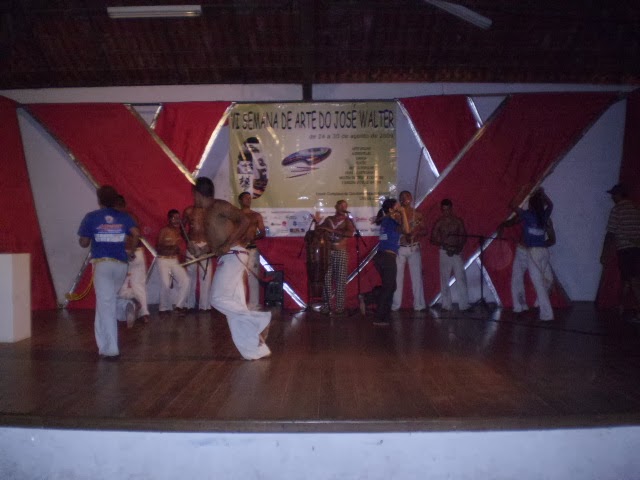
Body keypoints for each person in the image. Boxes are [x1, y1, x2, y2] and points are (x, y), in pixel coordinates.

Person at [200, 178, 271, 360]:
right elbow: (219, 239)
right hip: (229, 255)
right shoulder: (208, 212)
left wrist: (227, 244)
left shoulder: (218, 206)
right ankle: (254, 350)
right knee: (235, 309)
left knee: (217, 298)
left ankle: (259, 320)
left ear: (198, 193)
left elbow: (244, 221)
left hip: (233, 255)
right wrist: (209, 248)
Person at [77, 185, 139, 361]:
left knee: (106, 305)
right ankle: (103, 346)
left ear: (99, 200)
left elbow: (83, 242)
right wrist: (132, 251)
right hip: (121, 265)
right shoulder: (124, 217)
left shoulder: (91, 217)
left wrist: (88, 237)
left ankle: (111, 349)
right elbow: (136, 233)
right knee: (106, 302)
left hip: (102, 265)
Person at [499, 188, 555, 319]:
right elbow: (551, 205)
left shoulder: (529, 216)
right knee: (523, 278)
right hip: (537, 252)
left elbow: (512, 205)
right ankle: (521, 306)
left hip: (533, 252)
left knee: (541, 283)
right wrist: (543, 194)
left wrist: (523, 191)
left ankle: (546, 312)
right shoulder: (544, 216)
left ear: (531, 204)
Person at [359, 198, 410, 326]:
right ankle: (379, 317)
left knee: (391, 287)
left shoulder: (387, 221)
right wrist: (403, 213)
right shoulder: (390, 222)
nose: (400, 207)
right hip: (387, 258)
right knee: (389, 288)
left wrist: (400, 214)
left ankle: (368, 298)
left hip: (383, 257)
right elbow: (407, 230)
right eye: (397, 206)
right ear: (391, 209)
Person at [600, 183, 640, 321]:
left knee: (633, 280)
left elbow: (610, 234)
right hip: (637, 249)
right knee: (627, 279)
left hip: (625, 249)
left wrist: (604, 253)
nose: (612, 198)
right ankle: (621, 306)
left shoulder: (617, 210)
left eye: (613, 195)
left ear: (619, 195)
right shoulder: (636, 208)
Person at [114, 194, 150, 325]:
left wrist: (131, 251)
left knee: (120, 286)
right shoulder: (132, 217)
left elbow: (135, 235)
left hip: (126, 253)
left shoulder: (116, 219)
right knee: (139, 285)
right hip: (137, 253)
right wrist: (134, 251)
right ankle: (144, 313)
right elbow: (137, 234)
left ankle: (133, 303)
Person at [430, 198, 470, 312]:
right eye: (444, 210)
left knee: (460, 277)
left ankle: (464, 305)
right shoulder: (439, 222)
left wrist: (459, 248)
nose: (446, 212)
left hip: (457, 252)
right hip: (444, 251)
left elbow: (463, 236)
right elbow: (432, 239)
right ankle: (446, 305)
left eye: (447, 210)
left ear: (451, 209)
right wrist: (444, 245)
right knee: (444, 278)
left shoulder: (457, 221)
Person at [317, 200, 355, 315]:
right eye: (341, 205)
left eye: (345, 206)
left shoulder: (348, 221)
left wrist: (332, 230)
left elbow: (350, 233)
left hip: (341, 252)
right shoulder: (329, 219)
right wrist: (317, 223)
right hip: (328, 251)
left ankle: (339, 307)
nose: (343, 208)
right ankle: (326, 306)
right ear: (336, 206)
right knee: (326, 279)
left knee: (340, 280)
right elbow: (319, 232)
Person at [392, 191, 427, 312]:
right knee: (397, 277)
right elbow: (394, 229)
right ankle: (395, 305)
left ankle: (419, 304)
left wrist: (416, 233)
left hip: (413, 247)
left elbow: (424, 230)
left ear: (411, 198)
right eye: (402, 197)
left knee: (417, 277)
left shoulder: (417, 214)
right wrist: (403, 231)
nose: (404, 199)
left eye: (407, 197)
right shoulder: (397, 215)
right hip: (400, 248)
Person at [183, 179, 215, 311]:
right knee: (189, 276)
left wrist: (209, 246)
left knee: (205, 276)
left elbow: (214, 231)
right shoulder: (189, 211)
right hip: (192, 245)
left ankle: (204, 306)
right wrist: (188, 242)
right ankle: (189, 304)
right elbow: (182, 227)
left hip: (205, 246)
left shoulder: (210, 211)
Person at [156, 209, 190, 315]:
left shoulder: (178, 231)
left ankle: (179, 306)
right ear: (169, 219)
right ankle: (163, 308)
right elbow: (158, 248)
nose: (177, 220)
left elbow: (179, 248)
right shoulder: (164, 231)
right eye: (174, 218)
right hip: (163, 260)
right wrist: (171, 247)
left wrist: (180, 253)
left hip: (174, 260)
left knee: (186, 280)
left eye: (178, 218)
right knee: (165, 284)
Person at [238, 191, 266, 310]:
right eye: (246, 198)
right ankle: (240, 303)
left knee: (253, 277)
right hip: (239, 249)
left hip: (252, 249)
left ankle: (254, 304)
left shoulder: (256, 216)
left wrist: (253, 238)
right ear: (240, 200)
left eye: (250, 198)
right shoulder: (236, 215)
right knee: (239, 277)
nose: (248, 200)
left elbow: (263, 232)